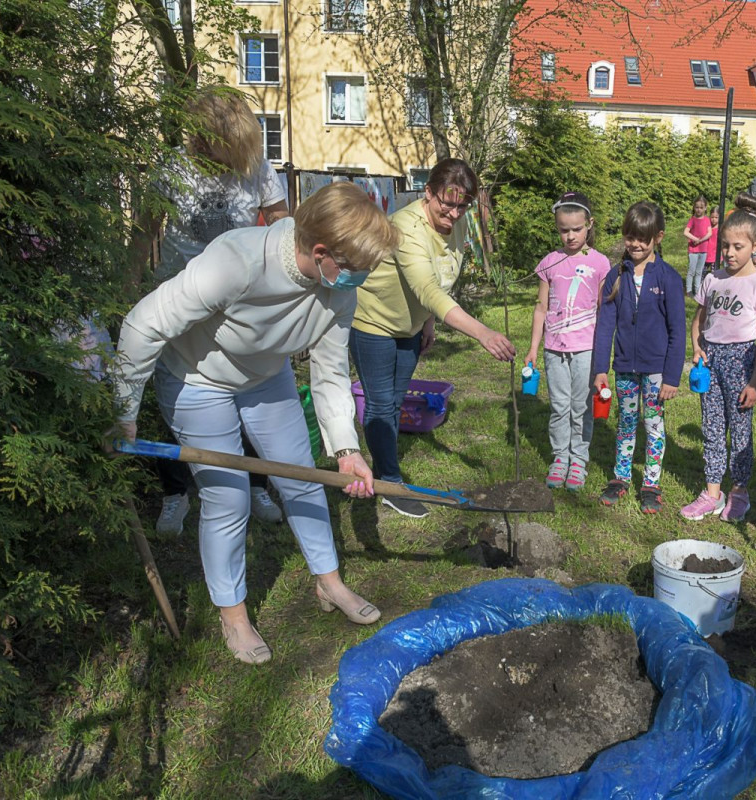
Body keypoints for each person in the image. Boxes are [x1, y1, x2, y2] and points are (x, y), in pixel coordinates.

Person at [111, 182, 397, 663]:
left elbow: (329, 371)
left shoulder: (339, 288)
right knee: (229, 497)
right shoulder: (239, 260)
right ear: (321, 252)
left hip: (266, 377)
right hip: (197, 378)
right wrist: (124, 412)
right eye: (356, 270)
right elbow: (144, 324)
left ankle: (329, 583)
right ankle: (234, 616)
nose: (361, 279)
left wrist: (347, 450)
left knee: (303, 479)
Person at [145, 90, 292, 534]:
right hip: (178, 301)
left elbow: (284, 229)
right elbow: (145, 229)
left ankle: (256, 484)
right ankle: (175, 493)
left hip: (238, 304)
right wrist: (132, 285)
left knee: (247, 391)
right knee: (175, 394)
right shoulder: (172, 167)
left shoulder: (257, 168)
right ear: (206, 137)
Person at [351, 159, 515, 518]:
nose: (454, 213)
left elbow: (441, 278)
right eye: (447, 203)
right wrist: (482, 333)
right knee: (380, 405)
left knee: (393, 403)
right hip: (373, 323)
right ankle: (391, 484)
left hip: (409, 325)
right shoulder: (405, 229)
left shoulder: (456, 225)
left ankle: (382, 466)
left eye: (463, 205)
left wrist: (427, 323)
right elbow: (426, 288)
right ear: (428, 192)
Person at [680, 211, 756, 522]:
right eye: (725, 246)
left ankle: (739, 492)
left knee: (740, 430)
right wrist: (697, 347)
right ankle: (712, 493)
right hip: (711, 361)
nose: (730, 253)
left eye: (737, 246)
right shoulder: (712, 279)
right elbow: (699, 319)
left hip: (742, 363)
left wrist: (755, 381)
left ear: (755, 246)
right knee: (711, 426)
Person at [594, 203, 685, 513]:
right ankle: (620, 478)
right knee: (627, 422)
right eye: (629, 237)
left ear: (657, 238)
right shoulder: (615, 275)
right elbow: (605, 326)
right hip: (624, 369)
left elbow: (678, 331)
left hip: (656, 371)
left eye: (641, 239)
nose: (634, 244)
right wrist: (600, 369)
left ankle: (651, 483)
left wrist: (672, 377)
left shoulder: (669, 279)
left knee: (654, 424)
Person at [524, 192, 613, 492]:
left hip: (586, 350)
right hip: (553, 350)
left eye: (577, 229)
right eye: (564, 230)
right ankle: (560, 458)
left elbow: (604, 312)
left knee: (581, 407)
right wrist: (533, 349)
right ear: (557, 227)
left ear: (589, 225)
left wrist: (603, 357)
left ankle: (578, 460)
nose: (571, 236)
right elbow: (540, 307)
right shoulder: (550, 262)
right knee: (559, 406)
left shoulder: (600, 263)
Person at [684, 195, 712, 298]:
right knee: (691, 270)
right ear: (694, 207)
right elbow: (686, 232)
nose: (699, 210)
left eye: (701, 207)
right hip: (693, 250)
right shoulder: (692, 219)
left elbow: (709, 233)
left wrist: (700, 240)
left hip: (703, 249)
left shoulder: (707, 219)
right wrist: (695, 239)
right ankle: (689, 290)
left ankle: (697, 290)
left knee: (699, 271)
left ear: (705, 208)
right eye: (697, 207)